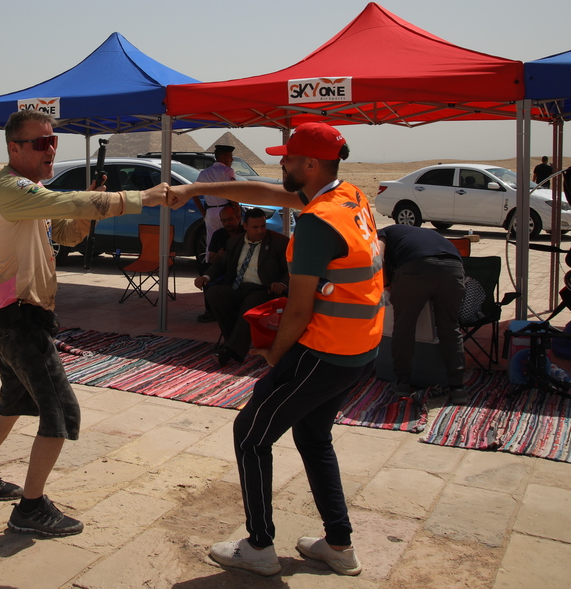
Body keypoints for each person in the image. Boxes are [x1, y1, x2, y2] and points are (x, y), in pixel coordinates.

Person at [165, 121, 383, 578]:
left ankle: (259, 546)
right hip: (359, 349)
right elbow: (265, 191)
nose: (280, 165)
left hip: (323, 352)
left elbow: (299, 311)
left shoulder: (317, 223)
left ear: (310, 164)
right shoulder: (349, 197)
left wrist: (274, 355)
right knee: (313, 436)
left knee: (250, 434)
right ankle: (339, 545)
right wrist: (193, 190)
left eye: (287, 159)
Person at [0, 110, 168, 537]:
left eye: (53, 141)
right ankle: (31, 508)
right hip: (21, 319)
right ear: (14, 148)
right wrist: (142, 197)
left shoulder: (29, 193)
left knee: (13, 402)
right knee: (61, 414)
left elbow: (66, 233)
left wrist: (89, 207)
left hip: (15, 314)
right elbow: (67, 203)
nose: (51, 149)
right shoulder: (9, 189)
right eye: (41, 143)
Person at [377, 224, 469, 404]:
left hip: (416, 267)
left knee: (404, 327)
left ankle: (402, 383)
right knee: (450, 328)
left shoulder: (382, 234)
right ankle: (458, 388)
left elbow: (379, 260)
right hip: (453, 269)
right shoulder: (418, 233)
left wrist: (387, 286)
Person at [195, 207, 289, 364]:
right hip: (237, 287)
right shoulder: (234, 242)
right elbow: (221, 264)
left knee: (251, 302)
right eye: (255, 227)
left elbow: (290, 270)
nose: (260, 230)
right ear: (245, 226)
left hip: (262, 289)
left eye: (263, 226)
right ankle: (234, 344)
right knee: (215, 293)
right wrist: (206, 276)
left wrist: (282, 283)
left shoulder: (278, 242)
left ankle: (229, 351)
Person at [194, 145, 238, 260]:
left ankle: (209, 266)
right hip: (226, 211)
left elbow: (194, 193)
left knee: (210, 242)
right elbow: (232, 192)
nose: (232, 160)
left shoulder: (204, 173)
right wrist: (238, 211)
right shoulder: (227, 171)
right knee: (230, 239)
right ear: (223, 157)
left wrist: (203, 211)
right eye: (230, 157)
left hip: (210, 212)